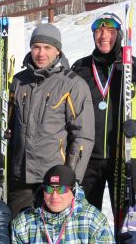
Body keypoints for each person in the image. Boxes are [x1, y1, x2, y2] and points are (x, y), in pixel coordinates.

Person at [71, 12, 136, 213]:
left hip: (124, 154)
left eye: (110, 30)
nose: (103, 36)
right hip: (88, 157)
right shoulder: (80, 68)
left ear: (119, 34)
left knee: (127, 217)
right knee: (85, 218)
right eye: (99, 30)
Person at [8, 23, 94, 217]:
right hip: (21, 177)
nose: (41, 53)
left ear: (57, 50)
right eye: (36, 47)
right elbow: (10, 124)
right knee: (17, 232)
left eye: (47, 47)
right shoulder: (18, 81)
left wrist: (70, 177)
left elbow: (83, 136)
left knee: (52, 236)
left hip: (54, 178)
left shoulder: (72, 84)